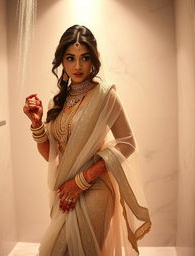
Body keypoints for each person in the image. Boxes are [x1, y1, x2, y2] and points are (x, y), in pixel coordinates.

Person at [23, 25, 151, 256]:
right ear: (61, 60)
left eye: (85, 58)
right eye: (70, 58)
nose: (78, 66)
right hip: (63, 190)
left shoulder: (105, 95)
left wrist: (82, 180)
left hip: (96, 187)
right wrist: (36, 123)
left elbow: (127, 142)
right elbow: (49, 155)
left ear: (94, 60)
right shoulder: (57, 101)